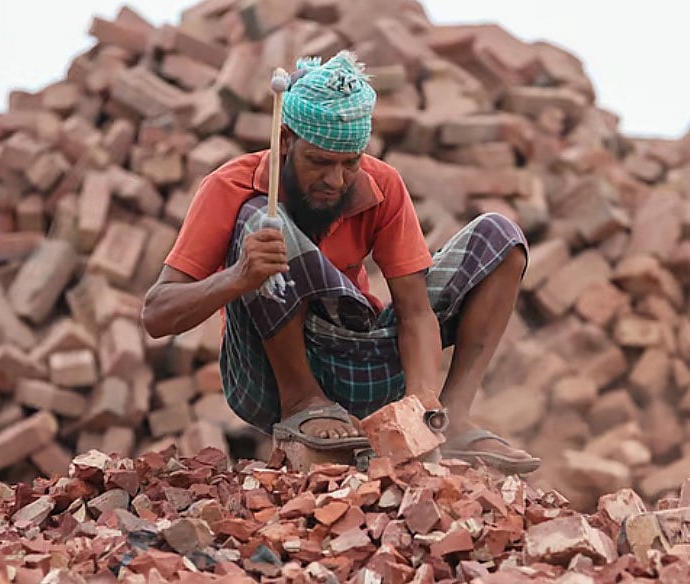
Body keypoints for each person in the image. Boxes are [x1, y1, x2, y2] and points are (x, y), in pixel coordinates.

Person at [141, 50, 540, 474]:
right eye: (319, 162)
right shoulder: (229, 186)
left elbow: (416, 312)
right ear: (285, 140)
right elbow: (156, 315)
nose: (335, 180)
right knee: (260, 219)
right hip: (267, 378)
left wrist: (421, 402)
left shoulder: (382, 185)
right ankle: (303, 402)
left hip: (361, 364)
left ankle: (453, 416)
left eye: (350, 164)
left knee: (500, 236)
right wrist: (237, 277)